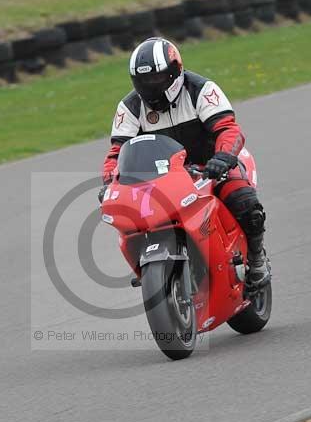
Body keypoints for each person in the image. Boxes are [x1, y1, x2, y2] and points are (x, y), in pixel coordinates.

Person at [100, 37, 270, 291]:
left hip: (210, 168)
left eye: (157, 78)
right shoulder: (130, 106)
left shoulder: (201, 89)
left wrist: (222, 158)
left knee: (244, 200)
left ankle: (256, 260)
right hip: (162, 178)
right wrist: (109, 181)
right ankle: (150, 269)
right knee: (132, 220)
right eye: (143, 80)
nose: (150, 86)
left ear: (175, 72)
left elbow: (228, 129)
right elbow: (117, 153)